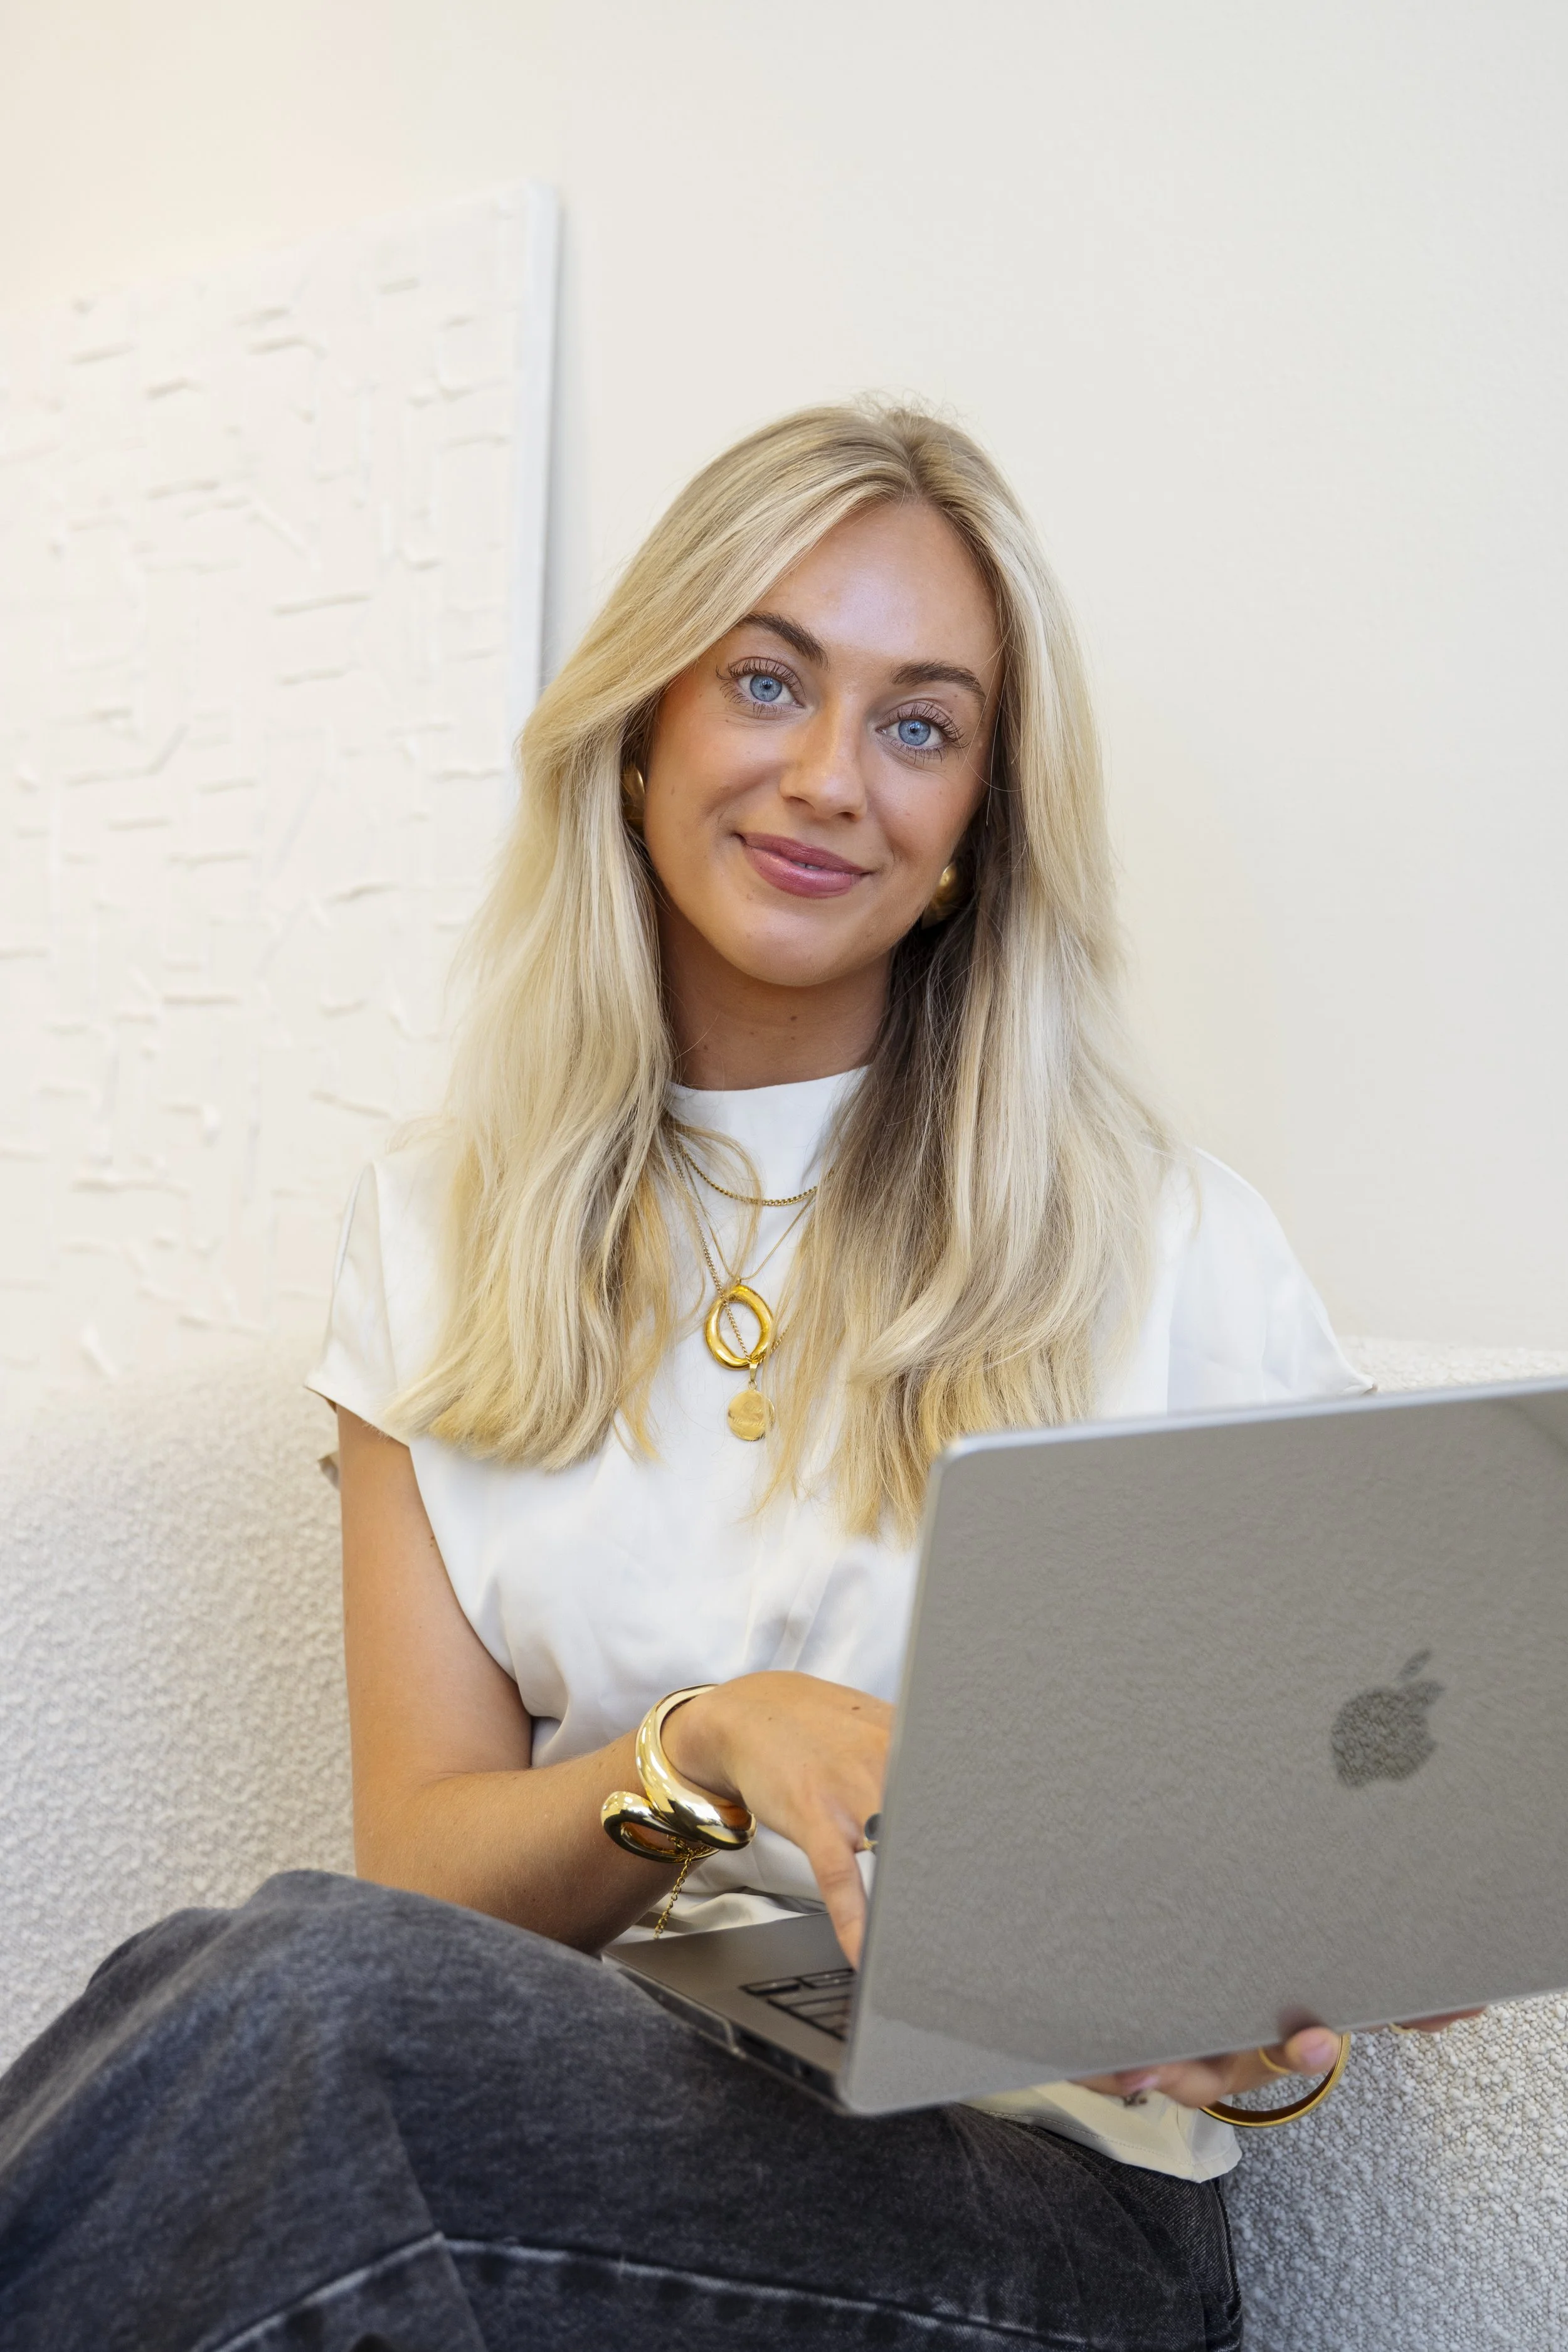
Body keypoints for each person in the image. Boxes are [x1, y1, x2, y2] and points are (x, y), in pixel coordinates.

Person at [0, 403, 1466, 2352]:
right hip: (596, 2115)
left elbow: (1401, 1801)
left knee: (307, 2004)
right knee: (276, 1974)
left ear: (970, 840)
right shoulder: (439, 1233)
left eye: (920, 723)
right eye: (767, 679)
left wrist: (1312, 1936)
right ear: (643, 732)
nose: (828, 776)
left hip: (1031, 2211)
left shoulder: (1157, 1239)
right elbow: (426, 1868)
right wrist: (702, 1748)